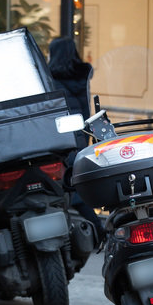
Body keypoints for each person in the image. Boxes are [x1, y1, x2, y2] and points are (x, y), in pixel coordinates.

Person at [48, 36, 104, 239]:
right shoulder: (80, 76)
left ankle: (95, 232)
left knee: (66, 189)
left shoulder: (52, 80)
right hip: (81, 137)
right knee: (73, 186)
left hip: (63, 139)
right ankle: (96, 230)